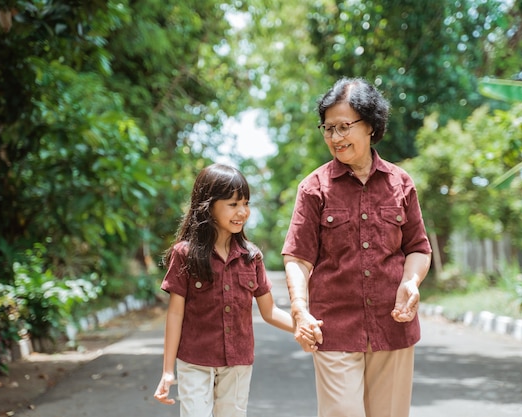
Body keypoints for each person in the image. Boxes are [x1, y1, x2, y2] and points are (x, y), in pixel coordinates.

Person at [282, 77, 432, 417]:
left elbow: (418, 249)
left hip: (393, 327)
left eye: (344, 127)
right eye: (328, 128)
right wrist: (299, 309)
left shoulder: (401, 183)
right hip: (333, 328)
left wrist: (410, 282)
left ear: (371, 126)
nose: (335, 137)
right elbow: (298, 258)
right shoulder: (313, 188)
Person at [153, 163, 314, 417]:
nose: (243, 212)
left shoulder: (252, 257)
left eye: (246, 203)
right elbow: (175, 314)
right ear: (208, 205)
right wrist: (167, 370)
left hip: (238, 363)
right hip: (195, 360)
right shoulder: (185, 254)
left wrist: (303, 328)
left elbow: (269, 311)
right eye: (233, 204)